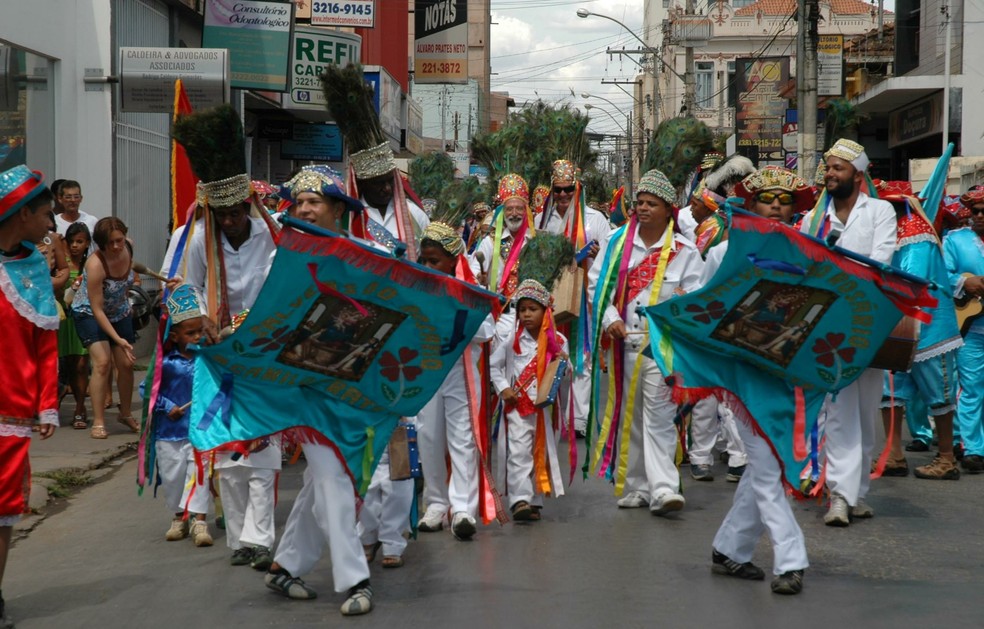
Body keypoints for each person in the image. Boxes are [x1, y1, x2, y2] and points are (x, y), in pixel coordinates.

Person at [262, 164, 376, 615]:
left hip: (353, 385)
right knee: (333, 477)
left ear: (336, 209)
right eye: (300, 202)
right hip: (306, 385)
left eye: (315, 201)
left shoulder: (363, 255)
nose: (306, 208)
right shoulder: (282, 256)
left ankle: (284, 566)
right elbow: (270, 319)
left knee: (320, 480)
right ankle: (355, 580)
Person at [173, 105, 282, 573]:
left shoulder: (273, 238)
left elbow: (283, 292)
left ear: (246, 206)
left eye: (236, 212)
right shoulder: (200, 238)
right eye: (221, 214)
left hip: (262, 353)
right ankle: (239, 538)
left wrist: (257, 328)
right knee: (228, 454)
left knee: (264, 448)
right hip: (218, 356)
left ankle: (261, 537)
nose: (230, 220)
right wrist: (201, 322)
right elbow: (186, 288)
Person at [706, 166, 815, 595]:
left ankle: (729, 548)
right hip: (744, 375)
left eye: (783, 199)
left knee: (762, 467)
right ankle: (791, 560)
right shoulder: (723, 253)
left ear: (792, 210)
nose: (775, 204)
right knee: (771, 468)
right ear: (750, 205)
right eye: (766, 197)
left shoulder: (809, 254)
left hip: (789, 375)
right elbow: (702, 311)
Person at [587, 169, 704, 515]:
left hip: (662, 348)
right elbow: (597, 287)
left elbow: (697, 295)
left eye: (651, 203)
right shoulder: (617, 242)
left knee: (659, 414)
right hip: (626, 344)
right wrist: (611, 320)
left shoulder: (683, 250)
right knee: (631, 415)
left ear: (668, 209)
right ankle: (637, 485)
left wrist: (682, 303)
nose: (643, 208)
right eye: (639, 202)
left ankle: (664, 488)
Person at [798, 139, 896, 526]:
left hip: (867, 322)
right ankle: (839, 494)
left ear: (858, 174)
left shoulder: (880, 211)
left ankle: (858, 494)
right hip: (827, 327)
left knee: (866, 410)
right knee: (837, 410)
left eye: (837, 168)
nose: (829, 175)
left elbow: (882, 261)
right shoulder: (813, 219)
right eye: (827, 169)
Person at [0, 165, 60, 629]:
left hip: (11, 410)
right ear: (21, 215)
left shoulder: (35, 266)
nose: (51, 225)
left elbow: (45, 344)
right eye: (45, 215)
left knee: (2, 512)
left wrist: (47, 404)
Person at [873, 181, 962, 480]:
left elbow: (909, 278)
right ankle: (894, 455)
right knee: (891, 393)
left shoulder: (914, 231)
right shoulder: (892, 231)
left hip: (928, 325)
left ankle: (947, 458)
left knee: (939, 393)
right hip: (897, 322)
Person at [416, 220, 497, 537]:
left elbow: (487, 331)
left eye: (434, 261)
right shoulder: (418, 285)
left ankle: (463, 507)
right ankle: (436, 503)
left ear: (453, 260)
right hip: (426, 370)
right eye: (424, 260)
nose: (427, 266)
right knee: (429, 436)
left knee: (461, 438)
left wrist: (453, 313)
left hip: (460, 372)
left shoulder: (471, 288)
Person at [490, 234, 574, 521]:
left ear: (545, 311)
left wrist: (563, 363)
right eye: (522, 309)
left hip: (544, 409)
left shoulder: (558, 341)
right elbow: (494, 367)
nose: (526, 315)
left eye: (532, 310)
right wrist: (503, 389)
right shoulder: (510, 340)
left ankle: (534, 499)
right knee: (518, 452)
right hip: (517, 405)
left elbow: (568, 375)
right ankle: (520, 499)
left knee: (541, 451)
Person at [536, 160, 612, 437]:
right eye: (557, 191)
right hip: (553, 297)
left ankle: (579, 420)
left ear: (577, 187)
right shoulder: (542, 221)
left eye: (568, 189)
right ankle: (557, 413)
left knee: (583, 357)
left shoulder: (595, 220)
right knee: (556, 353)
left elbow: (606, 262)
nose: (563, 196)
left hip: (585, 298)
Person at [149, 285, 213, 546]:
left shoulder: (207, 361)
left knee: (198, 473)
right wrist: (167, 407)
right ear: (174, 336)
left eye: (200, 331)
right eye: (191, 333)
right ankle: (179, 517)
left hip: (199, 430)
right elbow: (147, 392)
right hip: (169, 432)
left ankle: (200, 521)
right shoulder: (165, 363)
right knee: (173, 477)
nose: (197, 336)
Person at [70, 217, 138, 440]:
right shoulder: (95, 264)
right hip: (90, 313)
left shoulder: (128, 245)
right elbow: (97, 309)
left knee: (126, 363)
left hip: (119, 310)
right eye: (111, 243)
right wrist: (117, 339)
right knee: (102, 362)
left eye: (119, 240)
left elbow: (134, 266)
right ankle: (99, 420)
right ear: (101, 244)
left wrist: (164, 279)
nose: (117, 246)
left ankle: (125, 413)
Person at [942, 185, 984, 475]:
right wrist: (963, 283)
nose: (979, 215)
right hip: (971, 328)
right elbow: (942, 273)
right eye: (975, 210)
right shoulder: (955, 240)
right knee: (971, 388)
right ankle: (973, 449)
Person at [59, 222, 92, 429]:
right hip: (64, 320)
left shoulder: (91, 264)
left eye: (79, 241)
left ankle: (80, 408)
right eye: (71, 241)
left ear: (87, 243)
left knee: (81, 365)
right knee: (67, 366)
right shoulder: (60, 265)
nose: (74, 246)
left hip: (84, 318)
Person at [53, 180, 98, 253]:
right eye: (68, 197)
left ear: (81, 198)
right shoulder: (54, 223)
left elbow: (98, 249)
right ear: (60, 199)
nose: (73, 200)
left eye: (76, 197)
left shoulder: (92, 221)